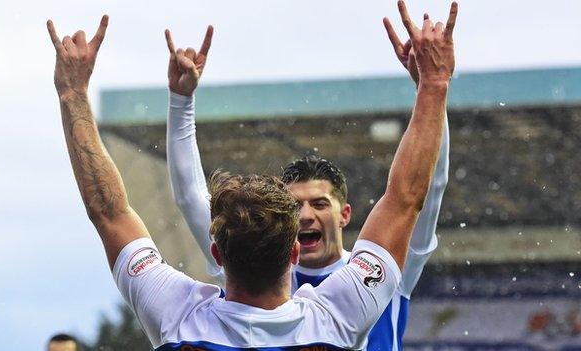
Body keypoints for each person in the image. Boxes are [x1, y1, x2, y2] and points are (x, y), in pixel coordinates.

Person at [46, 1, 457, 349]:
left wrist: (73, 95)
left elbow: (110, 212)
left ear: (218, 256)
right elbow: (407, 197)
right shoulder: (337, 315)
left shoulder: (180, 320)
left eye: (319, 203)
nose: (310, 214)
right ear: (293, 253)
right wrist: (434, 85)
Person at [167, 7, 450, 351]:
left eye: (319, 203)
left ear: (345, 214)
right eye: (295, 206)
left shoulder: (379, 272)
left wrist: (431, 91)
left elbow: (426, 188)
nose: (304, 215)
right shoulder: (256, 270)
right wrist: (181, 101)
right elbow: (192, 199)